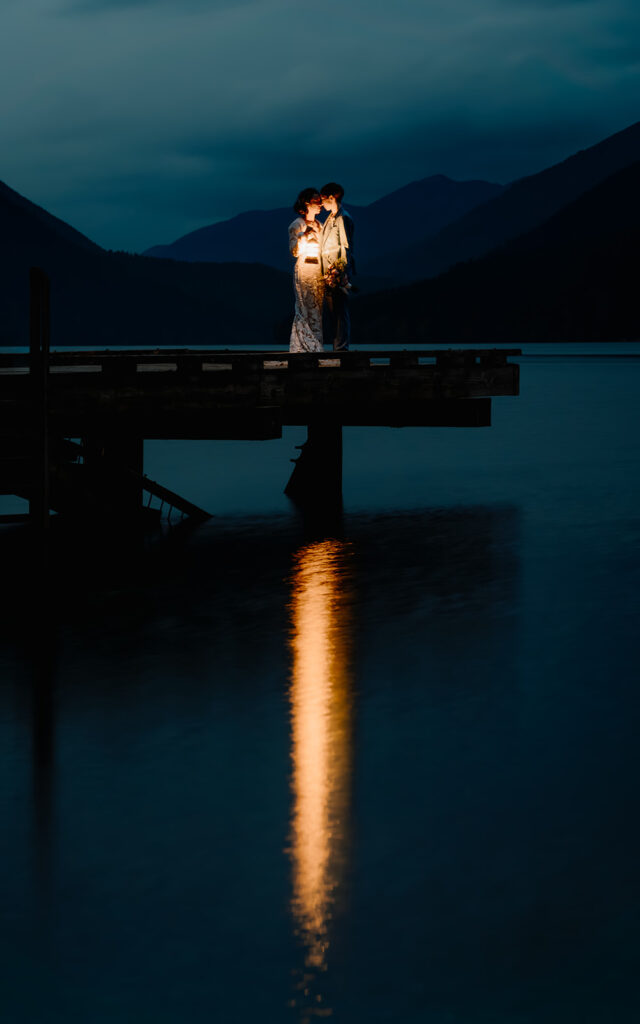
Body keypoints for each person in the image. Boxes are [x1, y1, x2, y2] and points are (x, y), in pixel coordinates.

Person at [319, 182, 354, 351]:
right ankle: (337, 347)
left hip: (338, 272)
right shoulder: (329, 218)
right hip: (328, 272)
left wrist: (342, 272)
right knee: (334, 313)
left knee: (340, 312)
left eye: (323, 199)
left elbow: (345, 246)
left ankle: (341, 348)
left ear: (332, 197)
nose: (321, 203)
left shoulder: (342, 217)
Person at [289, 188, 324, 352]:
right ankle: (303, 345)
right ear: (307, 203)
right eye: (317, 202)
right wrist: (303, 235)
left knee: (317, 309)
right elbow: (294, 251)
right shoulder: (296, 225)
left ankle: (316, 345)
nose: (320, 205)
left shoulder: (320, 226)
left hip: (318, 270)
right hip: (304, 270)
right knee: (304, 308)